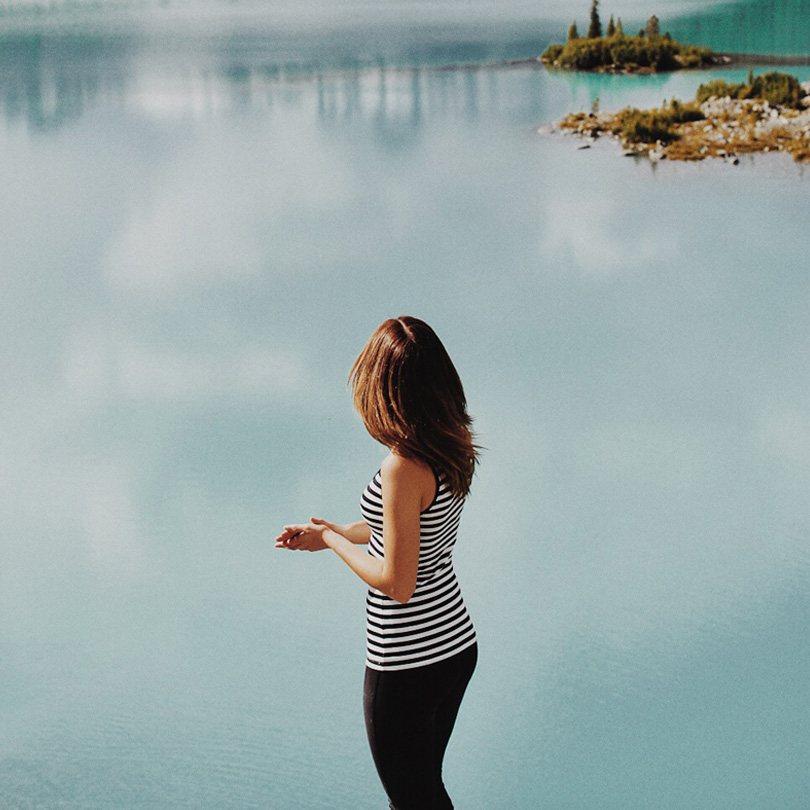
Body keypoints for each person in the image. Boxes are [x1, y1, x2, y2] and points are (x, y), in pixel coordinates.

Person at [274, 316, 479, 810]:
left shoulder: (401, 465)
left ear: (385, 392)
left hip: (407, 660)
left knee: (414, 800)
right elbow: (409, 531)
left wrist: (330, 540)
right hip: (454, 646)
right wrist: (338, 533)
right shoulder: (448, 445)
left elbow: (396, 582)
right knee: (424, 792)